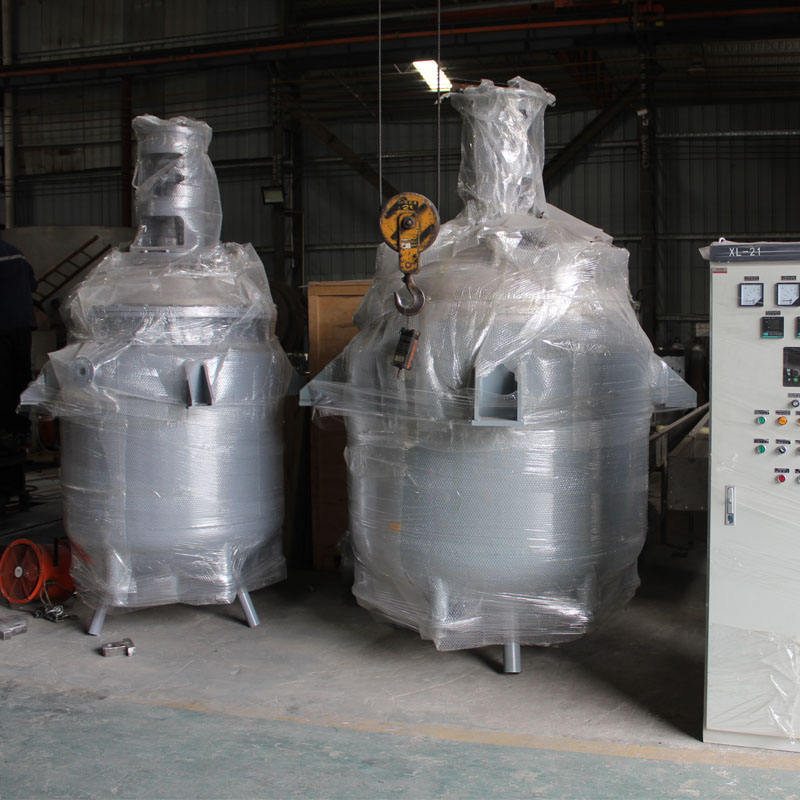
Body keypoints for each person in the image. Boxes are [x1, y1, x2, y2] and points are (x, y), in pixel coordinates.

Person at [0, 238, 37, 436]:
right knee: (21, 374)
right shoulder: (16, 252)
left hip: (3, 324)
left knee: (4, 377)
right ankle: (22, 429)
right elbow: (32, 284)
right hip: (22, 323)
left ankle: (6, 428)